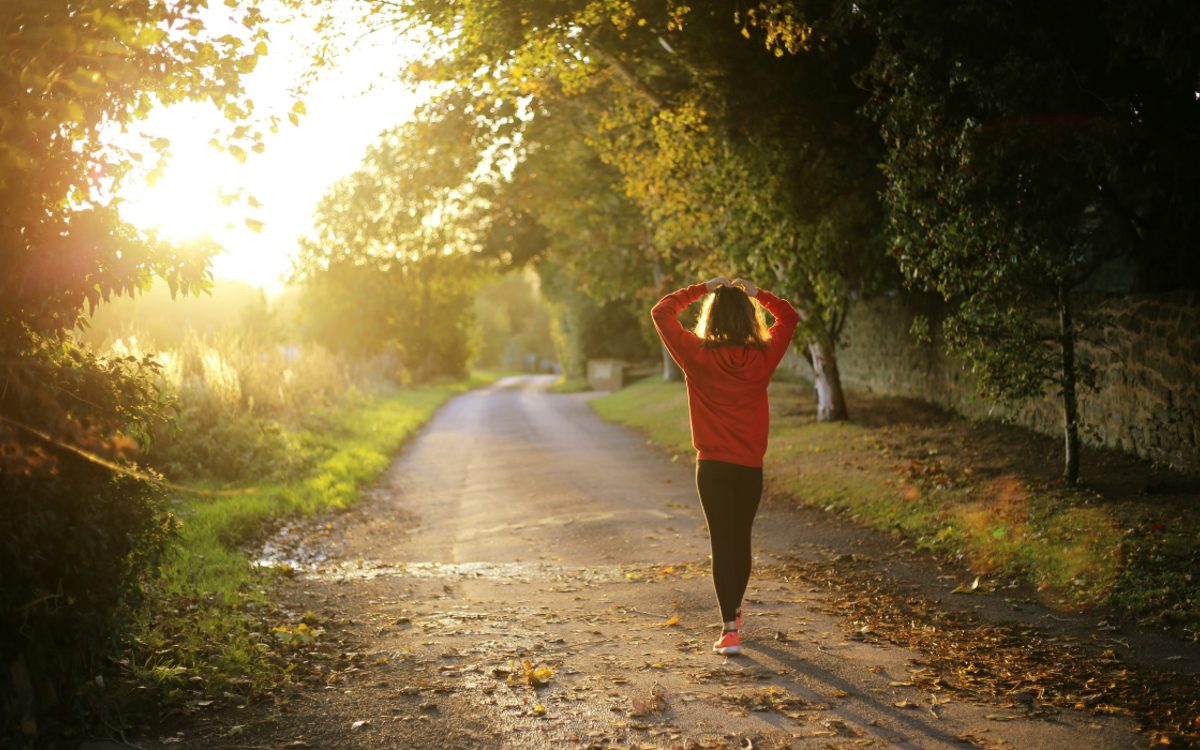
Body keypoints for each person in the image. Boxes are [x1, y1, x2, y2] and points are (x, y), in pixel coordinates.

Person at [651, 276, 800, 655]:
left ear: (711, 318)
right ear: (750, 319)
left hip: (713, 467)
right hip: (749, 466)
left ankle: (730, 629)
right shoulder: (764, 355)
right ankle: (733, 614)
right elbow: (790, 316)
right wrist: (758, 294)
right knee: (741, 540)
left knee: (722, 543)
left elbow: (661, 311)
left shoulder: (695, 354)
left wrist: (701, 288)